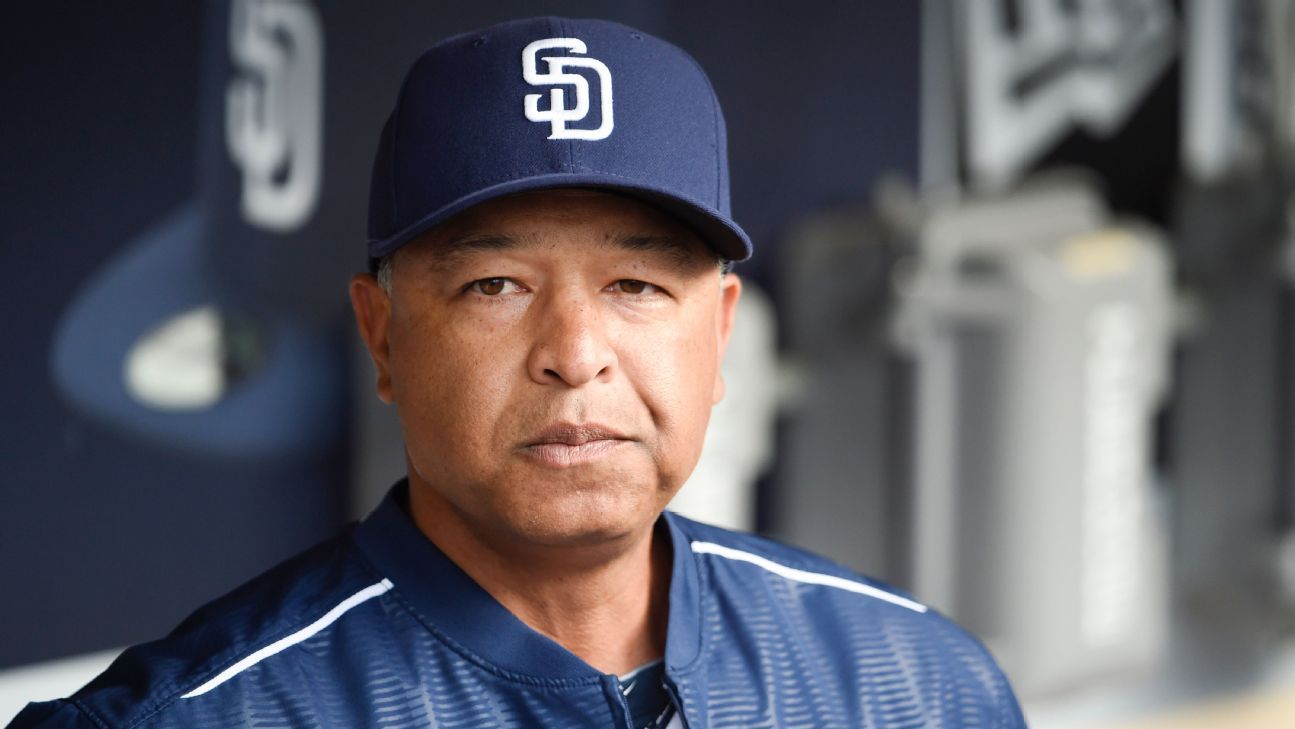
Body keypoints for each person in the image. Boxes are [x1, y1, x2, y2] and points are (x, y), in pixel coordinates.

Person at [10, 16, 1025, 729]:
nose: (575, 353)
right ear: (383, 338)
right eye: (495, 284)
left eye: (634, 284)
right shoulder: (198, 720)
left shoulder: (913, 685)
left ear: (719, 335)